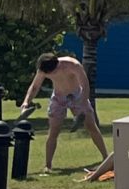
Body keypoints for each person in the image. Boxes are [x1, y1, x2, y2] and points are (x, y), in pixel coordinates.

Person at [17, 51, 113, 179]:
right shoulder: (43, 69)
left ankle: (106, 159)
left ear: (56, 65)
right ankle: (48, 165)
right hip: (58, 97)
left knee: (91, 127)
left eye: (51, 73)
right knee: (53, 131)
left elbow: (84, 85)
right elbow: (35, 87)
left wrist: (83, 103)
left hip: (77, 95)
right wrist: (25, 102)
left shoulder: (73, 65)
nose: (48, 75)